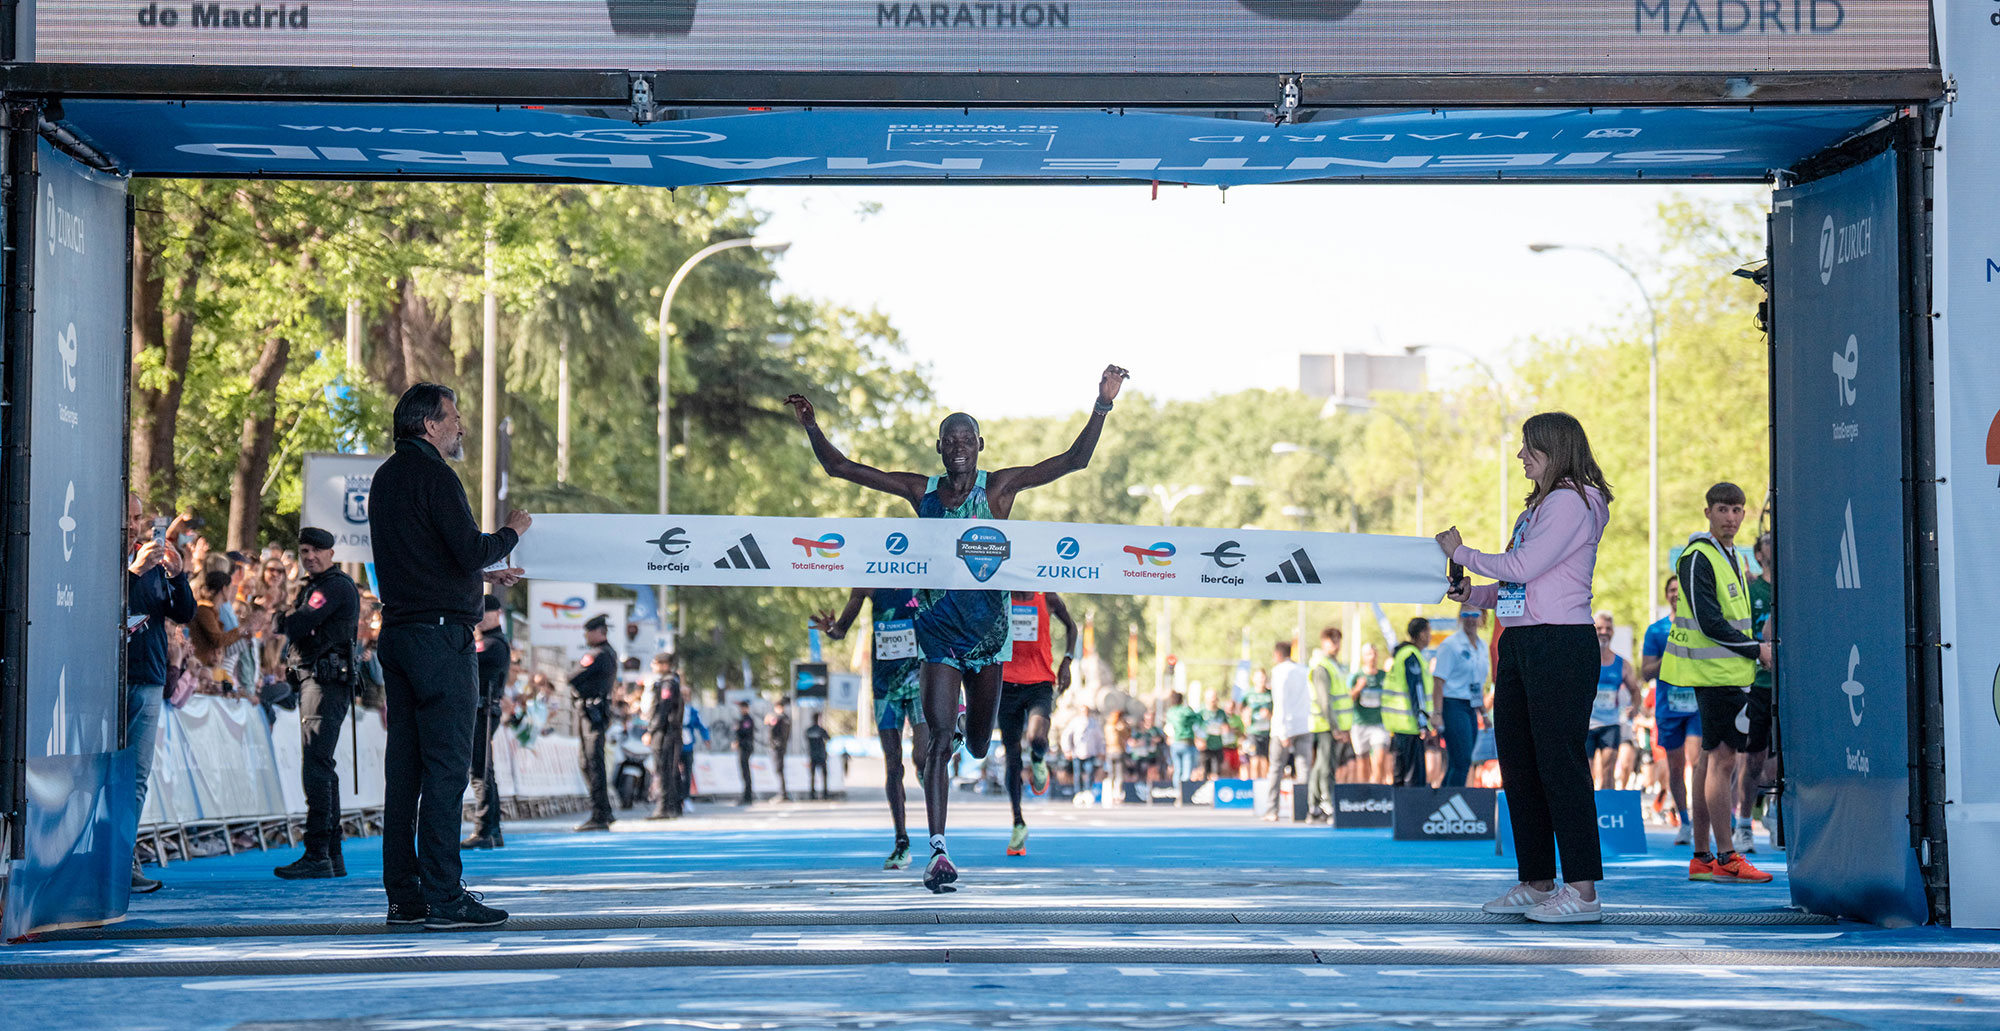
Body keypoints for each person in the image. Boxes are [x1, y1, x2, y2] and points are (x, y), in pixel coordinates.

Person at [786, 363, 1128, 892]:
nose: (961, 447)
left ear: (981, 445)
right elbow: (842, 468)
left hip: (989, 638)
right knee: (938, 742)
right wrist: (811, 424)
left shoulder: (999, 491)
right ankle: (938, 851)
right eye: (952, 441)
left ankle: (972, 719)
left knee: (975, 746)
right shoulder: (920, 491)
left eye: (968, 440)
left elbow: (1073, 461)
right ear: (940, 448)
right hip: (938, 636)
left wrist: (1102, 402)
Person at [1439, 411, 1613, 923]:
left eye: (1528, 448)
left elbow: (1523, 567)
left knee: (1560, 765)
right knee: (1519, 764)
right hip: (1520, 641)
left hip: (1558, 643)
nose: (1520, 456)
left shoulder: (1573, 500)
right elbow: (1518, 584)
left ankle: (1582, 893)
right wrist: (1473, 592)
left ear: (1555, 449)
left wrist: (1463, 552)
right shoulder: (1540, 506)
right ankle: (1537, 880)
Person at [368, 382, 529, 930]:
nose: (461, 427)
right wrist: (511, 532)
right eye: (454, 418)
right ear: (429, 424)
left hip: (402, 633)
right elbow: (466, 546)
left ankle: (405, 896)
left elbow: (426, 560)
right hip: (441, 641)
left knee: (404, 771)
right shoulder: (437, 475)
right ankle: (444, 893)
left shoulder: (387, 477)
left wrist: (481, 576)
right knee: (446, 768)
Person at [1667, 482, 1775, 885]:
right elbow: (1711, 622)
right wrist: (1756, 650)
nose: (1731, 517)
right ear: (1708, 512)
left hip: (1730, 674)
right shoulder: (1698, 557)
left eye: (1737, 510)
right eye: (1723, 509)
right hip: (1717, 675)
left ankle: (1702, 856)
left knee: (1709, 760)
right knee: (1723, 761)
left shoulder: (1731, 556)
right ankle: (1727, 856)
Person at [813, 587, 930, 867]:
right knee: (893, 764)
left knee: (922, 758)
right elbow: (841, 630)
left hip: (919, 680)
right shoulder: (869, 582)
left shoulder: (923, 573)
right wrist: (830, 629)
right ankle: (901, 841)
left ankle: (935, 806)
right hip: (884, 686)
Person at [272, 527, 362, 878]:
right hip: (317, 680)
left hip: (326, 683)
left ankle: (318, 853)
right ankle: (330, 853)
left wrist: (281, 620)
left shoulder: (334, 586)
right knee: (321, 765)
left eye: (316, 551)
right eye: (305, 551)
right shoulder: (318, 586)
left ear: (331, 553)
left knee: (317, 766)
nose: (310, 557)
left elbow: (301, 622)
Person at [125, 495, 196, 894]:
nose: (136, 526)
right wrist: (135, 573)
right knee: (102, 776)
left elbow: (183, 613)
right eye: (131, 517)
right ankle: (98, 859)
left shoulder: (150, 558)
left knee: (136, 778)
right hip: (104, 681)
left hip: (149, 677)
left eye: (140, 518)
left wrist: (177, 575)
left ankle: (124, 858)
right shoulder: (96, 553)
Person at [994, 590, 1076, 856]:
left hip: (1040, 682)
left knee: (1036, 738)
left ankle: (1039, 760)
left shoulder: (1046, 597)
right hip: (1005, 684)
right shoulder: (1000, 596)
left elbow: (1071, 626)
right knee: (1013, 756)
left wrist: (1067, 661)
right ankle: (1018, 823)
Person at [1640, 574, 1701, 844]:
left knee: (1697, 761)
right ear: (1667, 595)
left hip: (1696, 705)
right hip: (1668, 706)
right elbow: (1645, 672)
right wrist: (1671, 653)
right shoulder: (1656, 631)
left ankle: (1701, 821)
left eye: (1681, 589)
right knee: (1675, 768)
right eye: (1672, 590)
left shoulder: (1700, 626)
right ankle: (1684, 821)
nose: (1677, 594)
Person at [1738, 531, 1776, 854]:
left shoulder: (1796, 584)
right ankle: (1743, 823)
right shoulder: (1752, 590)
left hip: (1790, 685)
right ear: (1759, 554)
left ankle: (1778, 813)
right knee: (1753, 761)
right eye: (1767, 543)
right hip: (1758, 684)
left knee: (1786, 758)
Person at [463, 595, 509, 849]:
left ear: (497, 613)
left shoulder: (492, 644)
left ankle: (484, 829)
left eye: (486, 613)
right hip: (483, 711)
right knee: (484, 770)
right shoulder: (492, 642)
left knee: (479, 771)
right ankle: (492, 829)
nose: (481, 618)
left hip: (482, 712)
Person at [568, 614, 619, 831]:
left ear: (599, 632)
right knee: (589, 762)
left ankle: (599, 814)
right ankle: (604, 811)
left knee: (592, 763)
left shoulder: (598, 654)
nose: (586, 636)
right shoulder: (609, 653)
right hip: (595, 712)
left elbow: (572, 676)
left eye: (589, 632)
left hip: (591, 713)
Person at [1431, 607, 1491, 789]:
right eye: (1466, 615)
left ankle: (1444, 800)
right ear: (1459, 617)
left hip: (1470, 706)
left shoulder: (1481, 646)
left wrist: (1484, 713)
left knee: (1461, 761)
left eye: (1475, 615)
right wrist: (1437, 713)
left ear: (1481, 618)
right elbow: (1438, 681)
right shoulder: (1451, 645)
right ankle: (1451, 799)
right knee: (1462, 759)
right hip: (1453, 704)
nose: (1470, 619)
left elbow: (1476, 684)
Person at [1588, 610, 1642, 792]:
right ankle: (1587, 814)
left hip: (1610, 723)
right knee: (1585, 772)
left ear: (1612, 632)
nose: (1604, 632)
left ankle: (1606, 811)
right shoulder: (1583, 659)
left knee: (1608, 769)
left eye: (1608, 628)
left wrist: (1634, 707)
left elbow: (1635, 690)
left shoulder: (1622, 663)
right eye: (1599, 628)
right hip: (1586, 724)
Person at [1306, 628, 1353, 820]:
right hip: (1326, 724)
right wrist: (1334, 726)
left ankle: (1314, 804)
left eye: (1338, 640)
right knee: (1326, 766)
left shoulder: (1336, 665)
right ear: (1323, 642)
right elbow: (1324, 700)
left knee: (1322, 764)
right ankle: (1326, 801)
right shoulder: (1322, 666)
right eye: (1331, 640)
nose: (1336, 644)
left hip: (1336, 724)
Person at [1385, 618, 1437, 788]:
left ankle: (1400, 811)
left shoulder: (1403, 653)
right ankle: (1410, 812)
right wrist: (1422, 723)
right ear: (1421, 634)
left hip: (1402, 725)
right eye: (1428, 631)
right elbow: (1417, 691)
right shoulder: (1411, 656)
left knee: (1401, 774)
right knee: (1412, 777)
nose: (1430, 636)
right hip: (1409, 726)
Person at [1263, 641, 1313, 822]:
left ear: (1277, 654)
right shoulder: (1304, 670)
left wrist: (1284, 731)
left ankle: (1272, 810)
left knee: (1276, 768)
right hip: (1304, 724)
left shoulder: (1279, 672)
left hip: (1282, 726)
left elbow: (1281, 700)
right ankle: (1303, 810)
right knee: (1303, 769)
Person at [644, 652, 686, 820]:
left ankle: (664, 808)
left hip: (665, 732)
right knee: (669, 768)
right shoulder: (672, 681)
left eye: (655, 663)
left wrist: (651, 730)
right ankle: (673, 806)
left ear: (664, 664)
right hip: (669, 732)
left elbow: (663, 709)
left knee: (663, 769)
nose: (652, 667)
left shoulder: (667, 683)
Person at [1347, 643, 1392, 785]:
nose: (1371, 657)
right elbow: (1348, 699)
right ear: (1363, 657)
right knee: (1363, 762)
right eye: (1368, 654)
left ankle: (1377, 791)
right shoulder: (1356, 676)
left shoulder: (1383, 676)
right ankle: (1364, 795)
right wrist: (1358, 687)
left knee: (1379, 759)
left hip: (1379, 724)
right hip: (1360, 724)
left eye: (1374, 654)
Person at [1062, 705, 1105, 799]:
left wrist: (1101, 750)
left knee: (1090, 772)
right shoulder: (1075, 722)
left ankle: (1088, 791)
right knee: (1078, 773)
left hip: (1090, 752)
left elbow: (1099, 738)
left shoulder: (1094, 723)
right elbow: (1067, 736)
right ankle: (1078, 792)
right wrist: (1067, 750)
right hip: (1077, 753)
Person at [1164, 691, 1200, 793]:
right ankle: (1184, 792)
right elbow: (1197, 718)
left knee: (1177, 769)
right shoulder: (1185, 710)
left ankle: (1177, 791)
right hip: (1186, 742)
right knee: (1187, 769)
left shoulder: (1170, 712)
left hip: (1174, 743)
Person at [1242, 668, 1273, 783]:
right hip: (1253, 733)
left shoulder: (1270, 694)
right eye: (1259, 677)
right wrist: (1245, 718)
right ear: (1253, 679)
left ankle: (1264, 786)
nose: (1261, 680)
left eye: (1263, 677)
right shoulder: (1248, 694)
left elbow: (1277, 712)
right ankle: (1254, 787)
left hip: (1267, 732)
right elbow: (1241, 710)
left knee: (1265, 761)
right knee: (1254, 761)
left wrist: (1269, 715)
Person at [767, 696, 795, 802]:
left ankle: (782, 794)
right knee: (780, 770)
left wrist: (770, 721)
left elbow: (771, 728)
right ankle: (783, 793)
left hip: (777, 747)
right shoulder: (786, 718)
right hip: (782, 746)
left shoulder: (778, 718)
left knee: (778, 770)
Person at [1103, 707, 1131, 805]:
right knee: (1119, 775)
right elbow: (1127, 734)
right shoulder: (1119, 727)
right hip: (1118, 751)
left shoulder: (1108, 726)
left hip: (1109, 751)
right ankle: (1117, 794)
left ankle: (1111, 794)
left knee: (1111, 774)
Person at [733, 699, 758, 805]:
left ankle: (748, 796)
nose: (741, 709)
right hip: (742, 747)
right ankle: (746, 795)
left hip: (746, 747)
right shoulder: (742, 719)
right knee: (744, 772)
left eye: (743, 707)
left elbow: (745, 732)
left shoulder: (748, 719)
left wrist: (738, 729)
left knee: (746, 772)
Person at [805, 712, 831, 799]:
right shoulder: (821, 730)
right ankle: (825, 793)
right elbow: (828, 738)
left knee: (812, 775)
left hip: (812, 754)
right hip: (821, 754)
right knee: (824, 774)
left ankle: (812, 793)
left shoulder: (809, 730)